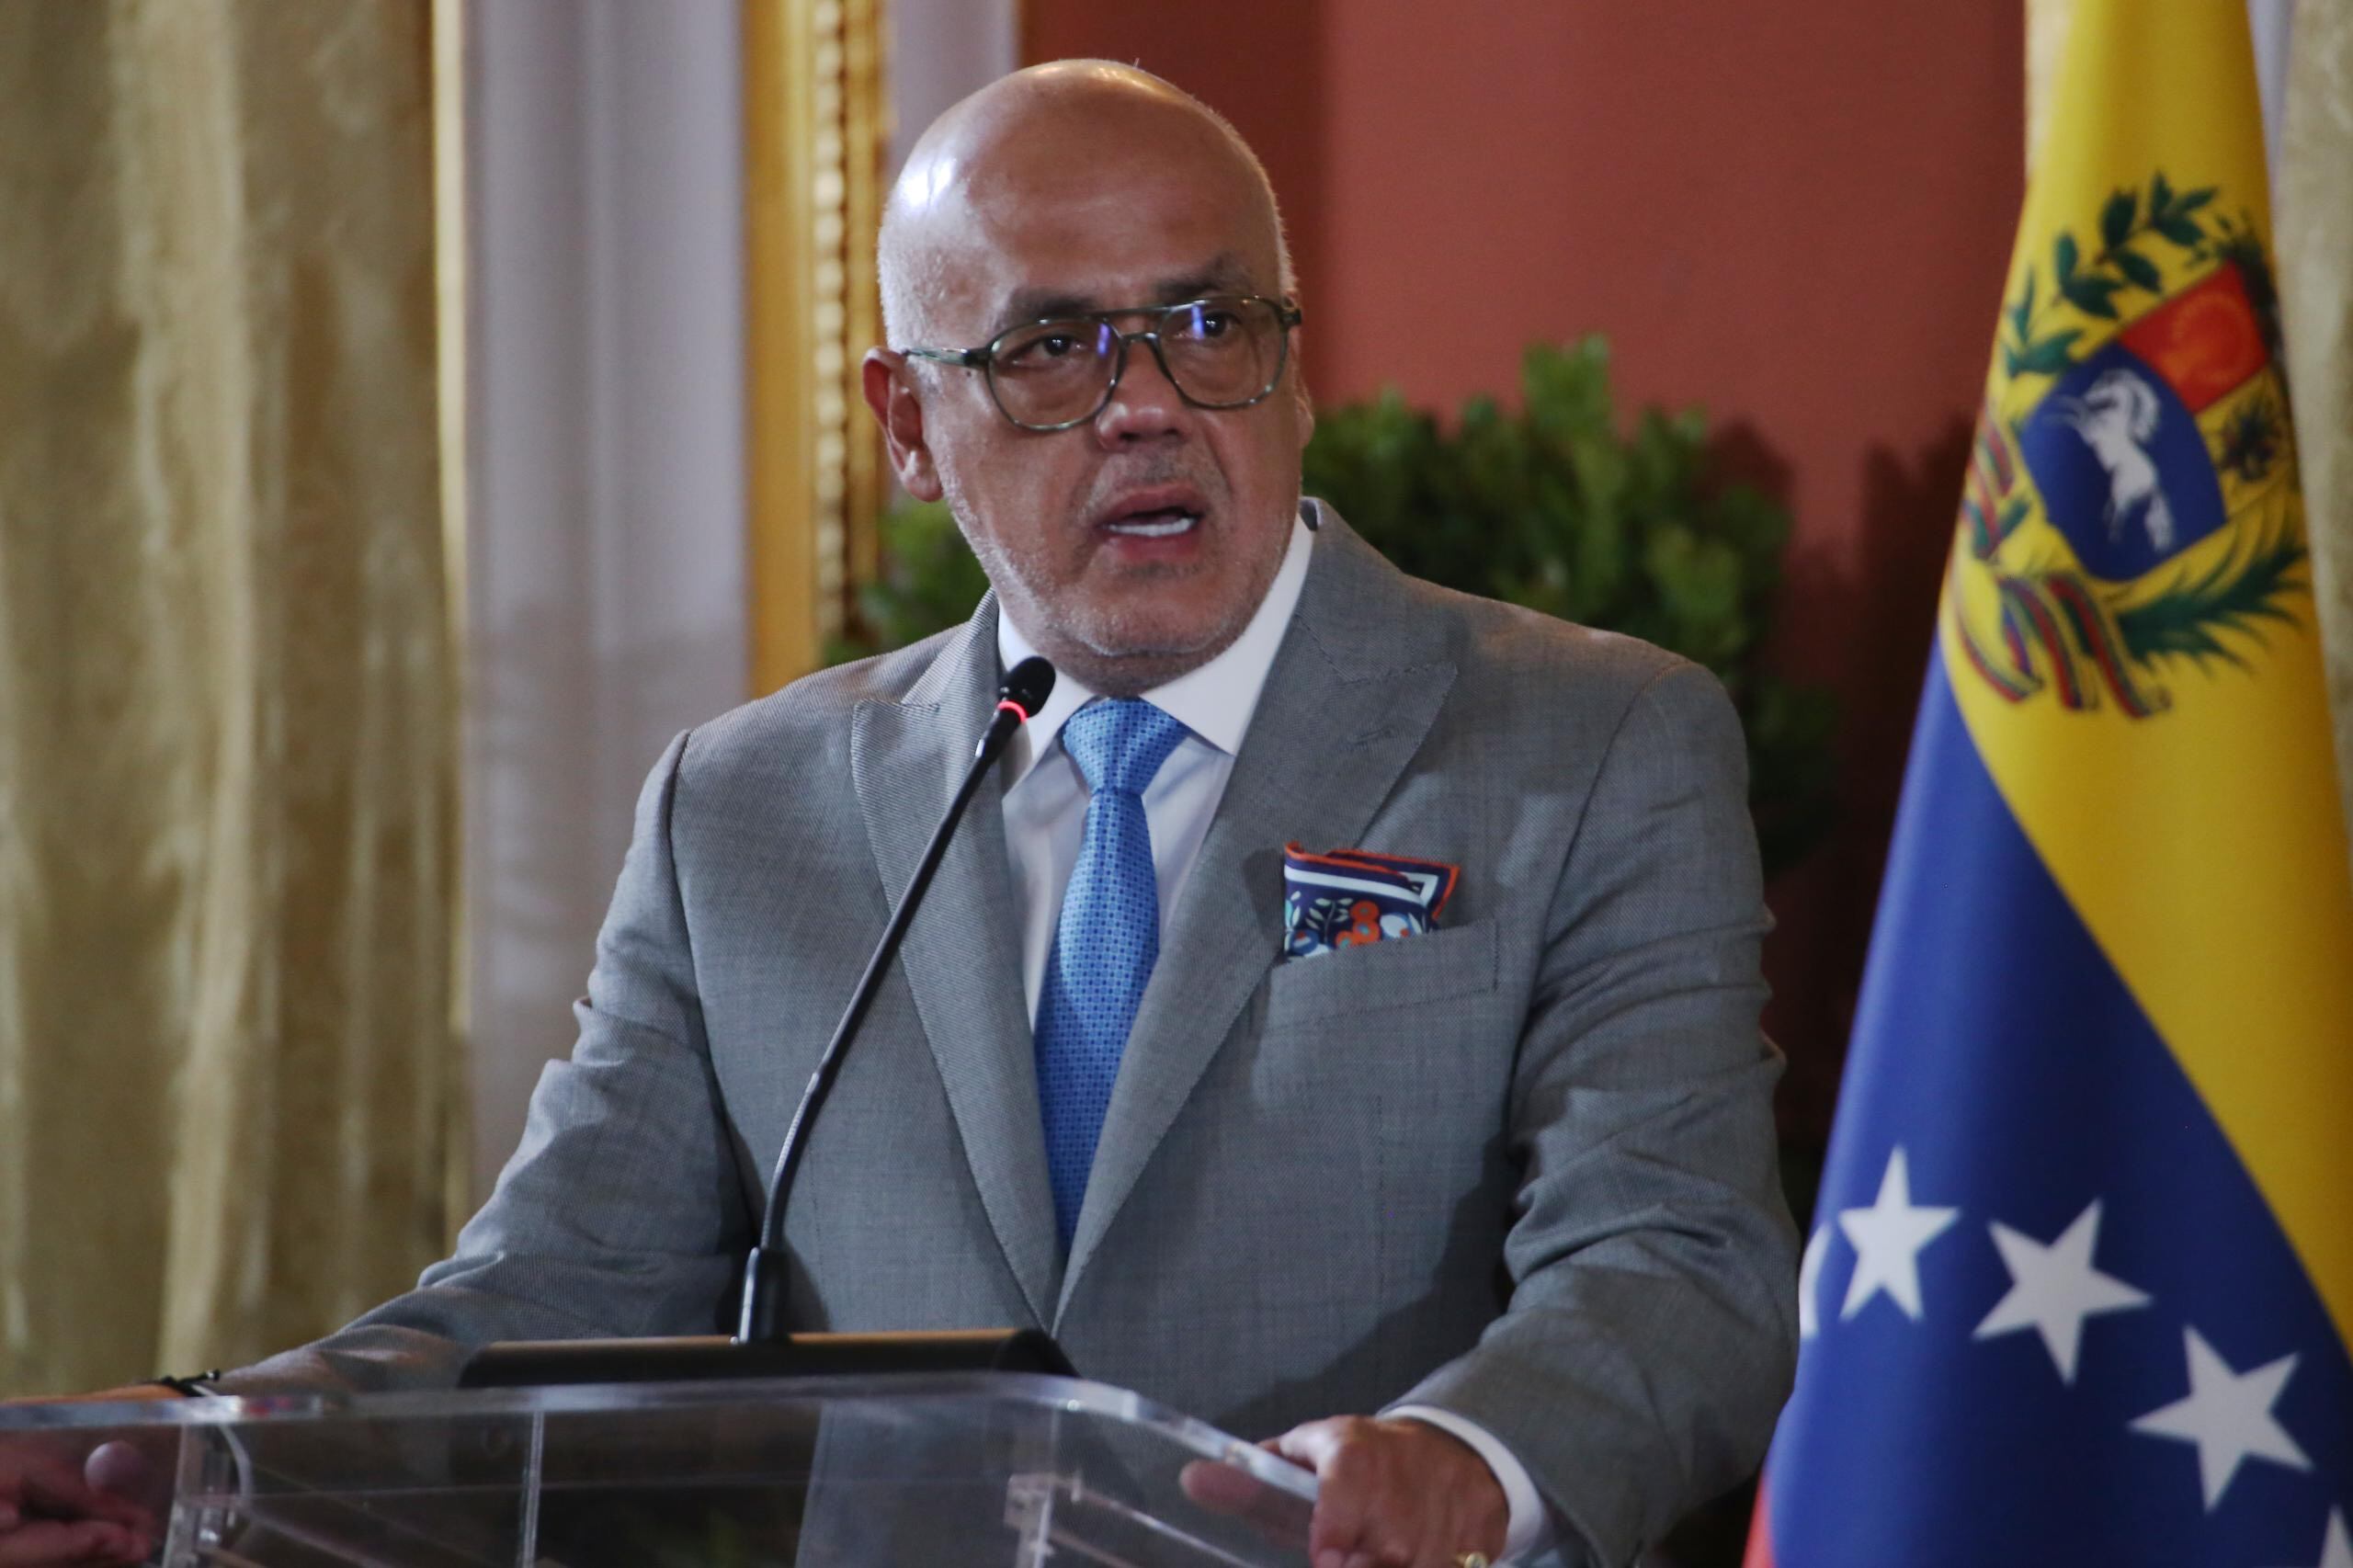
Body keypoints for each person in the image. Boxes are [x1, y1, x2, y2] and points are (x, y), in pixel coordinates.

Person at [4, 62, 1796, 1568]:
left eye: (1206, 325)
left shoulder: (1584, 747)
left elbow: (1677, 1261)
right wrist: (209, 1442)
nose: (1148, 408)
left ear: (1292, 358)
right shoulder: (748, 810)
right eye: (1048, 350)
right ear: (907, 425)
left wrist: (1463, 1464)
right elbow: (554, 1291)